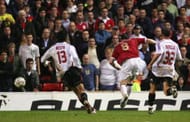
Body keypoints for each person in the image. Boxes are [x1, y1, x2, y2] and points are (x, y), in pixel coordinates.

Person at [41, 31, 96, 114]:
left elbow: (42, 60)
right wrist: (79, 67)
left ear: (56, 38)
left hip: (63, 74)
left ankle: (90, 108)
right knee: (81, 89)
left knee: (76, 92)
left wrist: (48, 64)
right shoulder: (69, 47)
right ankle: (86, 102)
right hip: (72, 69)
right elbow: (75, 57)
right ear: (66, 38)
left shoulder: (52, 48)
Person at [111, 37, 155, 109]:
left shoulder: (117, 46)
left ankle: (124, 95)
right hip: (138, 61)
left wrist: (117, 66)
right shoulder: (134, 40)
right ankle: (125, 100)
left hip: (127, 62)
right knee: (130, 82)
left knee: (122, 83)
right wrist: (157, 43)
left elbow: (112, 60)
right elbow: (147, 40)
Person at [147, 29, 183, 114]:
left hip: (158, 69)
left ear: (162, 35)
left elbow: (159, 53)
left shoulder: (160, 43)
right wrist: (176, 71)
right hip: (169, 69)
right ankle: (172, 90)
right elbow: (179, 58)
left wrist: (150, 64)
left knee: (152, 88)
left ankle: (150, 107)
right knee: (166, 91)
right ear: (170, 35)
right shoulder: (175, 44)